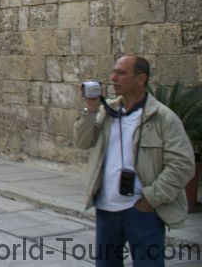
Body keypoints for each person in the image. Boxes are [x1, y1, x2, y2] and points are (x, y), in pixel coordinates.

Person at [74, 55, 194, 267]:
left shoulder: (163, 118)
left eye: (121, 73)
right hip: (106, 209)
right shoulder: (106, 111)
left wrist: (150, 200)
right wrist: (91, 109)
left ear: (141, 78)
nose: (113, 78)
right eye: (113, 72)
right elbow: (83, 142)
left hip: (141, 211)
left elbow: (182, 165)